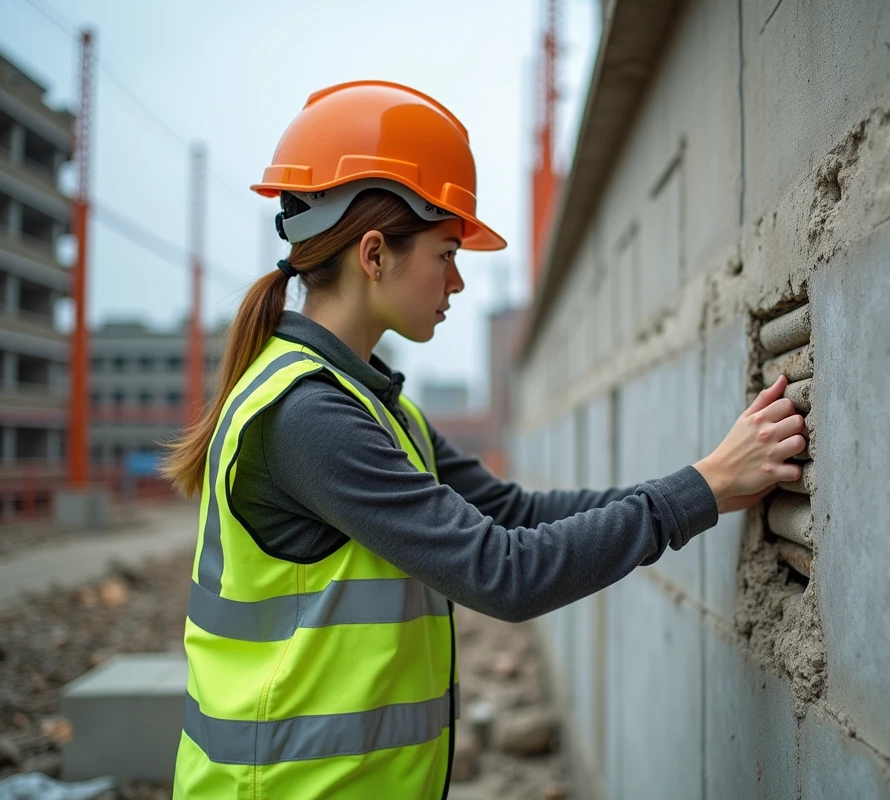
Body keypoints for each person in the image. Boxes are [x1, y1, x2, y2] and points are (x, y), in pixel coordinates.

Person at [163, 80, 807, 799]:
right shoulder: (311, 419)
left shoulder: (370, 403)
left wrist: (710, 485)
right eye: (446, 252)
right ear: (374, 254)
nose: (459, 281)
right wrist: (701, 490)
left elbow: (514, 514)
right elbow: (505, 573)